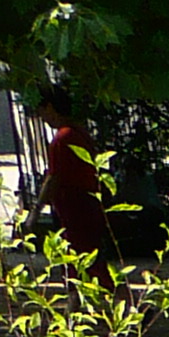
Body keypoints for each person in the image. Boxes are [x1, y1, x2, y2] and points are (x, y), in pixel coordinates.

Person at [35, 90, 112, 263]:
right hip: (88, 204)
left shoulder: (63, 137)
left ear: (50, 107)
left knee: (79, 257)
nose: (42, 117)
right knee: (93, 256)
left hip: (74, 207)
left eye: (41, 110)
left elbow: (54, 176)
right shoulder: (80, 132)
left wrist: (36, 211)